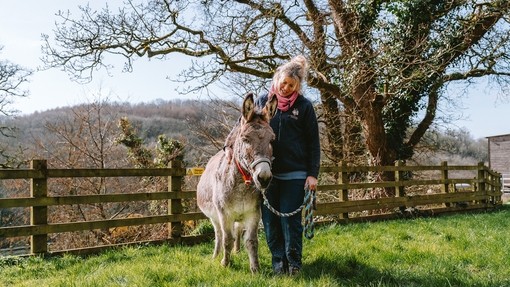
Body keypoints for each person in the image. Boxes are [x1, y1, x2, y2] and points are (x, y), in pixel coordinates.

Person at [256, 55, 320, 276]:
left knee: (290, 221)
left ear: (297, 86)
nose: (285, 88)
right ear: (277, 78)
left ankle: (294, 264)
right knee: (270, 220)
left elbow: (313, 142)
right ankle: (278, 263)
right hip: (268, 173)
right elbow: (246, 126)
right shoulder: (263, 100)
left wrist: (313, 174)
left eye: (291, 85)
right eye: (283, 83)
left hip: (295, 173)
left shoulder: (304, 107)